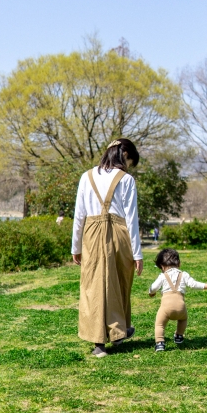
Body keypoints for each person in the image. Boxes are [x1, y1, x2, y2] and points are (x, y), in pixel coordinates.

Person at [72, 138, 143, 358]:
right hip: (120, 232)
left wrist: (75, 246)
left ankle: (100, 344)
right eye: (130, 161)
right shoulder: (127, 179)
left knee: (93, 285)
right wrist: (137, 253)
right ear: (125, 156)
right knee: (120, 281)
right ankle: (118, 333)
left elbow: (79, 216)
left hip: (91, 233)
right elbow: (132, 218)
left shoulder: (87, 176)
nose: (129, 166)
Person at [149, 248, 207, 352]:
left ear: (162, 266)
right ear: (179, 264)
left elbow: (153, 287)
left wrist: (151, 292)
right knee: (183, 319)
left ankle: (160, 343)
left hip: (166, 308)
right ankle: (179, 336)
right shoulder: (184, 275)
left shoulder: (162, 276)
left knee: (159, 324)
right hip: (181, 307)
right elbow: (194, 284)